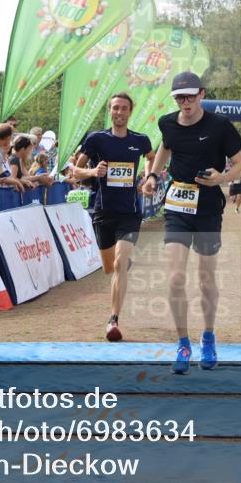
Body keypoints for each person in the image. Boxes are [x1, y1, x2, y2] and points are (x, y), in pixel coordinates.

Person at [142, 72, 241, 374]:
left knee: (206, 280)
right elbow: (165, 147)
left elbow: (239, 165)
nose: (184, 102)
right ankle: (183, 342)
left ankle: (209, 336)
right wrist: (152, 175)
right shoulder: (168, 123)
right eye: (179, 97)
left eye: (189, 96)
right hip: (177, 207)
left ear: (201, 94)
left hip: (209, 208)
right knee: (175, 279)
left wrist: (221, 179)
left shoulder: (219, 126)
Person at [72, 92, 155, 342]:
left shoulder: (140, 140)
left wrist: (148, 177)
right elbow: (75, 171)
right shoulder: (96, 139)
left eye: (124, 108)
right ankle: (121, 264)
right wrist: (93, 171)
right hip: (103, 212)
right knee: (110, 268)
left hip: (130, 213)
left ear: (130, 112)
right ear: (110, 111)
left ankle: (113, 320)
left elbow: (152, 158)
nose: (119, 112)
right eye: (115, 108)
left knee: (119, 264)